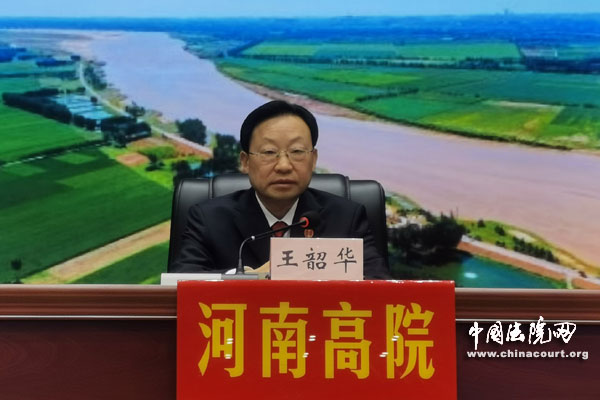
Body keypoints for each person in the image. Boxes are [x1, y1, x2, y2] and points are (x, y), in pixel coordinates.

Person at [171, 100, 390, 279]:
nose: (284, 166)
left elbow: (380, 284)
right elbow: (181, 280)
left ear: (313, 160)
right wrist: (243, 279)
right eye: (269, 152)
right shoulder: (208, 219)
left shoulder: (346, 218)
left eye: (297, 151)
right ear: (245, 162)